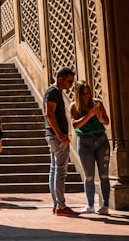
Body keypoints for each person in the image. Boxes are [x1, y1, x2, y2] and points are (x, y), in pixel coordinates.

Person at [70, 80, 111, 215]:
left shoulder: (97, 103)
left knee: (104, 175)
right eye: (83, 94)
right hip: (85, 142)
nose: (87, 96)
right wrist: (89, 115)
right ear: (78, 95)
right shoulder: (74, 107)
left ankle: (105, 205)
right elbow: (75, 125)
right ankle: (90, 204)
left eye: (88, 93)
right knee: (89, 175)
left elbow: (106, 121)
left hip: (101, 140)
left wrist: (100, 118)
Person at [45, 68, 79, 216]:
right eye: (69, 81)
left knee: (55, 170)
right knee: (60, 171)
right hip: (56, 136)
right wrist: (60, 135)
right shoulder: (53, 92)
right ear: (60, 79)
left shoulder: (53, 92)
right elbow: (49, 114)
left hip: (53, 135)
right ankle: (61, 205)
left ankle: (57, 204)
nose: (71, 85)